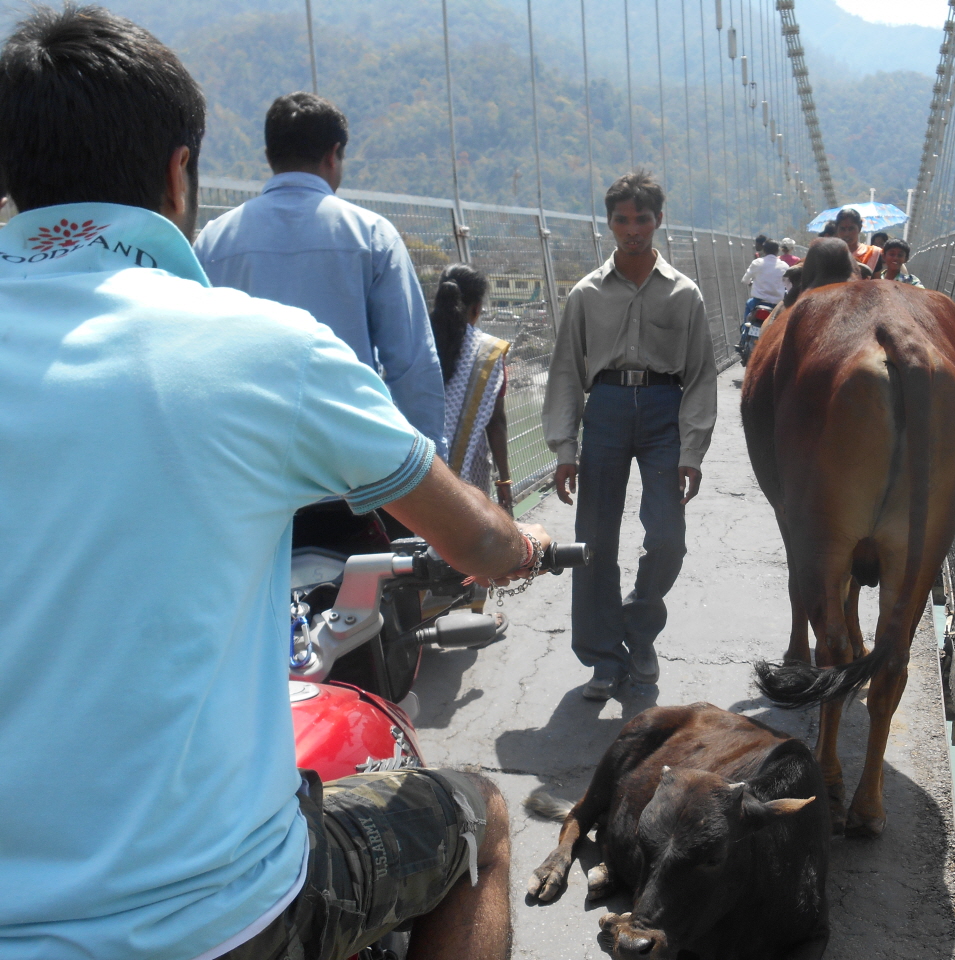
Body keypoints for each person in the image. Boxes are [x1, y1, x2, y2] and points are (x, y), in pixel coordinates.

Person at [0, 8, 548, 959]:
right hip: (217, 911)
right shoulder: (272, 335)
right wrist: (519, 546)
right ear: (178, 170)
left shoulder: (222, 240)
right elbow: (457, 490)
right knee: (479, 820)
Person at [542, 171, 717, 701]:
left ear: (659, 221)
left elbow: (703, 376)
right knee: (594, 539)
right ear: (610, 223)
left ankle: (639, 630)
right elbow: (568, 372)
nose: (632, 228)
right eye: (622, 219)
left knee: (668, 537)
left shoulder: (685, 295)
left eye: (642, 218)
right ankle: (600, 655)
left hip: (665, 407)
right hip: (608, 408)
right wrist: (565, 449)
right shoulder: (586, 294)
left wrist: (693, 449)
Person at [194, 92, 448, 457]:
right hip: (350, 468)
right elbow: (410, 363)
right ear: (334, 153)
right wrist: (431, 461)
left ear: (269, 157)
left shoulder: (214, 240)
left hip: (248, 463)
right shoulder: (372, 235)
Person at [432, 264, 514, 514]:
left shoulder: (418, 342)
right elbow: (495, 422)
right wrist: (504, 481)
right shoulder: (486, 352)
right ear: (477, 308)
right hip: (468, 472)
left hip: (418, 468)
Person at [742, 238, 788, 319]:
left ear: (764, 250)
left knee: (748, 307)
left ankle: (745, 330)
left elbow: (745, 280)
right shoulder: (784, 266)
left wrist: (750, 282)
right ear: (777, 251)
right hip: (777, 305)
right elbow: (788, 285)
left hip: (757, 303)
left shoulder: (757, 263)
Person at [834, 205, 881, 277]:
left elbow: (877, 284)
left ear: (859, 228)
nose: (847, 234)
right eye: (842, 229)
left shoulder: (873, 254)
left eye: (851, 228)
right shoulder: (830, 255)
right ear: (837, 229)